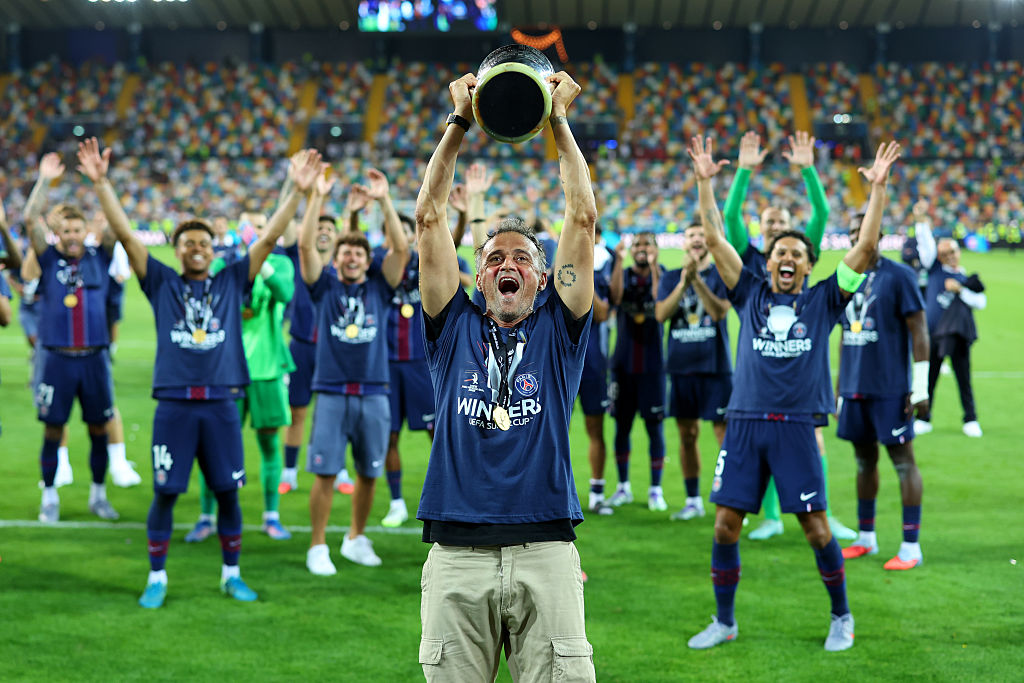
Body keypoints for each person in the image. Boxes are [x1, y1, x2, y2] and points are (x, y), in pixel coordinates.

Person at [79, 138, 324, 608]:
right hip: (173, 404)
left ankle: (231, 574)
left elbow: (270, 238)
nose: (196, 248)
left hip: (221, 404)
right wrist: (103, 184)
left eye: (203, 243)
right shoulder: (162, 283)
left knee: (228, 494)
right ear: (176, 250)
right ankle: (157, 577)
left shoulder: (233, 281)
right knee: (167, 494)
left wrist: (295, 191)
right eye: (188, 242)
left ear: (214, 250)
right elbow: (128, 236)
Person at [413, 70, 597, 681]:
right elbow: (429, 218)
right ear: (479, 277)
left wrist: (557, 120)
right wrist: (460, 121)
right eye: (495, 258)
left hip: (545, 548)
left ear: (543, 280)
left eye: (523, 257)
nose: (508, 264)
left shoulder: (559, 331)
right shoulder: (452, 327)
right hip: (456, 554)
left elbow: (582, 215)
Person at [685, 135, 901, 652]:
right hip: (743, 423)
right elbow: (715, 240)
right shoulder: (751, 291)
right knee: (724, 528)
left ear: (808, 266)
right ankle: (725, 621)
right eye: (779, 250)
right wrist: (704, 182)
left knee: (818, 531)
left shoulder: (826, 299)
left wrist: (877, 191)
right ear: (770, 261)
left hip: (797, 428)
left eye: (795, 254)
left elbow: (866, 249)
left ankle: (842, 617)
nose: (786, 256)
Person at [723, 130, 855, 542]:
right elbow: (728, 220)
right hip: (761, 365)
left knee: (813, 440)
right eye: (770, 225)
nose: (778, 229)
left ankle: (821, 510)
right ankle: (773, 516)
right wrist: (743, 174)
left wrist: (809, 169)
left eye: (782, 223)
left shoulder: (798, 252)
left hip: (801, 358)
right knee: (765, 445)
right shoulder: (750, 259)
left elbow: (820, 211)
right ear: (761, 232)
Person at [299, 167, 409, 576]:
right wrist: (316, 198)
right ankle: (317, 546)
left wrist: (384, 201)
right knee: (326, 472)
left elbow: (401, 251)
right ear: (338, 258)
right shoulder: (324, 287)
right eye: (345, 252)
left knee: (368, 472)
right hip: (330, 391)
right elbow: (306, 246)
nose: (351, 257)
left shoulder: (380, 288)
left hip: (374, 392)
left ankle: (355, 538)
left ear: (367, 260)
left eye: (359, 253)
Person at [186, 210, 298, 542]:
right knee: (214, 447)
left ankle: (271, 516)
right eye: (249, 229)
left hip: (266, 370)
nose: (255, 234)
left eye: (261, 229)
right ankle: (207, 517)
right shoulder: (223, 268)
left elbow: (284, 294)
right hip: (226, 373)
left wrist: (259, 254)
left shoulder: (280, 265)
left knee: (268, 445)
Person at [22, 153, 119, 523]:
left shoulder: (101, 256)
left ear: (85, 232)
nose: (73, 236)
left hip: (94, 358)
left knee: (99, 428)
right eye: (67, 231)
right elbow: (29, 219)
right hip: (56, 358)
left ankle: (98, 494)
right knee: (53, 427)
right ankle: (50, 496)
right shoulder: (47, 259)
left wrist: (100, 182)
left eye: (78, 230)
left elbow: (115, 224)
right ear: (58, 234)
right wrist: (44, 180)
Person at [836, 211, 929, 571]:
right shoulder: (846, 276)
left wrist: (919, 387)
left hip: (891, 389)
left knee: (904, 464)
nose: (860, 237)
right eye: (854, 233)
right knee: (863, 461)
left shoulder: (900, 275)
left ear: (878, 234)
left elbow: (919, 331)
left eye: (866, 231)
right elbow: (845, 334)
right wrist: (840, 388)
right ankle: (866, 537)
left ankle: (910, 546)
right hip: (856, 389)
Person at [655, 220, 732, 521]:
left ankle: (730, 500)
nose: (697, 240)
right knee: (687, 435)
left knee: (725, 437)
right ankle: (692, 501)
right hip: (682, 368)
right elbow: (661, 314)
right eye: (691, 236)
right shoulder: (671, 276)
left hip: (716, 368)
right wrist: (683, 283)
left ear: (710, 241)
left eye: (702, 235)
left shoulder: (722, 274)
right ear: (684, 243)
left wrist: (697, 282)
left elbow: (719, 312)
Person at [910, 204, 987, 438]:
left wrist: (960, 289)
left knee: (964, 379)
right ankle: (923, 417)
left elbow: (981, 302)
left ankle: (970, 419)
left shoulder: (965, 277)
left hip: (959, 336)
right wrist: (921, 219)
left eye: (953, 252)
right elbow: (925, 245)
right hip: (933, 334)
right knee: (929, 378)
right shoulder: (935, 270)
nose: (950, 256)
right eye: (945, 254)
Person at [607, 231, 668, 511]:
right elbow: (616, 298)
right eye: (638, 245)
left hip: (653, 365)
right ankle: (623, 487)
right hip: (623, 364)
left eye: (648, 244)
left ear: (656, 249)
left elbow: (659, 300)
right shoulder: (622, 271)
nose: (642, 249)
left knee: (655, 428)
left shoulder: (662, 273)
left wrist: (654, 266)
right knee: (622, 426)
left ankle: (656, 489)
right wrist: (619, 261)